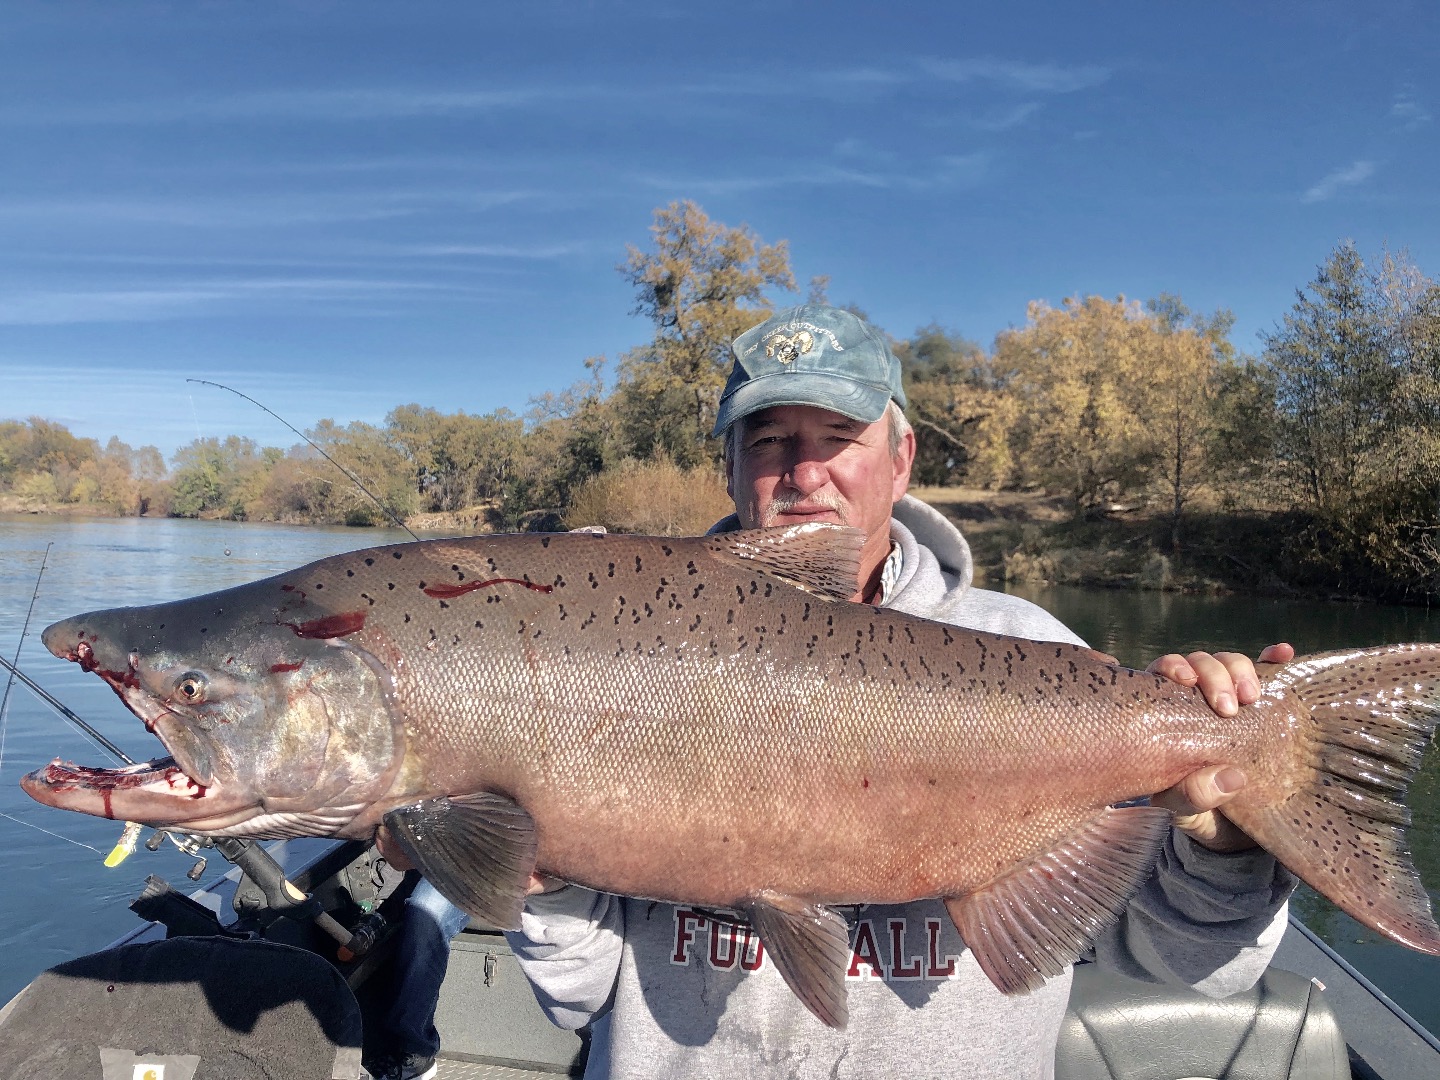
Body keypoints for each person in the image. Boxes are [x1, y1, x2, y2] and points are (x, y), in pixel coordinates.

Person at [497, 304, 1297, 1079]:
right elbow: (579, 997)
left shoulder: (1033, 649)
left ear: (903, 456)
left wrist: (1225, 840)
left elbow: (1198, 965)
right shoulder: (616, 648)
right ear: (730, 465)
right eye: (770, 439)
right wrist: (535, 878)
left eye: (840, 438)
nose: (804, 472)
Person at [368, 876, 470, 1080]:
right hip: (447, 860)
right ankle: (371, 1044)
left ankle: (415, 1050)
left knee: (427, 910)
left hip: (488, 867)